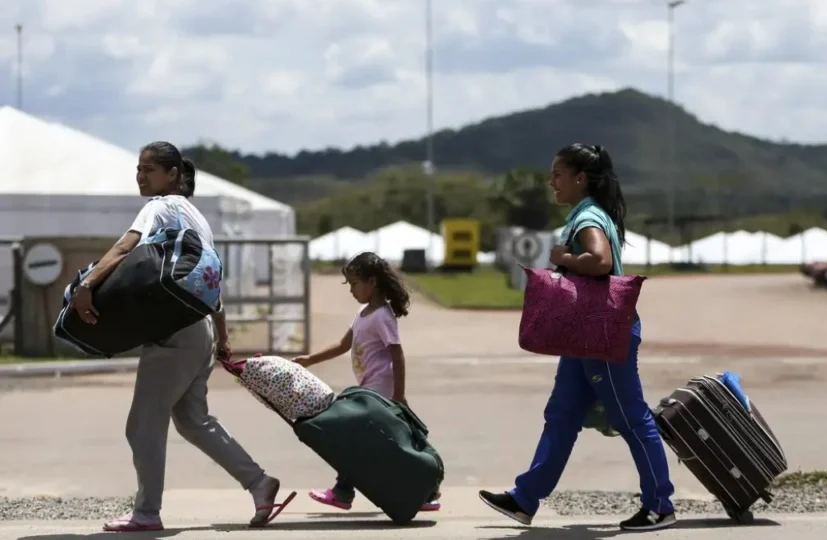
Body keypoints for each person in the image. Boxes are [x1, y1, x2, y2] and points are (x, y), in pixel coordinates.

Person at [67, 141, 295, 532]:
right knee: (192, 420)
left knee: (142, 424)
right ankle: (259, 483)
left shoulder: (159, 206)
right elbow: (209, 281)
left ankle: (147, 513)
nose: (141, 177)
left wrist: (86, 285)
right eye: (138, 170)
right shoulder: (196, 218)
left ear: (173, 175)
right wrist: (221, 336)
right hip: (198, 330)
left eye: (149, 170)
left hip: (173, 334)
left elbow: (126, 247)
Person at [478, 144, 677, 532]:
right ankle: (525, 498)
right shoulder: (586, 214)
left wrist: (564, 258)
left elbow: (600, 262)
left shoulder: (587, 217)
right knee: (562, 415)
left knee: (631, 418)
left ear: (579, 178)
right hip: (583, 336)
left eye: (557, 173)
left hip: (601, 334)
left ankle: (659, 505)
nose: (551, 180)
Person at [292, 251, 441, 512]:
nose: (351, 290)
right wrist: (309, 360)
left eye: (354, 283)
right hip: (368, 390)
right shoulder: (363, 313)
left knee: (356, 440)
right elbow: (343, 344)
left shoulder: (383, 316)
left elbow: (397, 353)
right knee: (383, 445)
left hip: (380, 392)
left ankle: (343, 492)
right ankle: (426, 494)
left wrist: (399, 394)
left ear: (371, 282)